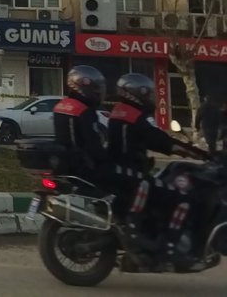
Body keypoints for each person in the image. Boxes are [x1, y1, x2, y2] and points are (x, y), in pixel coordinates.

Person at [106, 72, 204, 263]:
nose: (151, 97)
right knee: (182, 197)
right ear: (136, 93)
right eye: (148, 93)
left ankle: (143, 230)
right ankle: (168, 248)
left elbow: (148, 139)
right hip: (131, 172)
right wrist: (191, 151)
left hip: (119, 169)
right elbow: (158, 139)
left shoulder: (118, 111)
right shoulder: (136, 115)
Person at [51, 65, 110, 179]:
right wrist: (107, 158)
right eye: (94, 89)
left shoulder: (60, 105)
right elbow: (93, 144)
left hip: (62, 162)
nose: (97, 93)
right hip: (81, 166)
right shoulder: (84, 110)